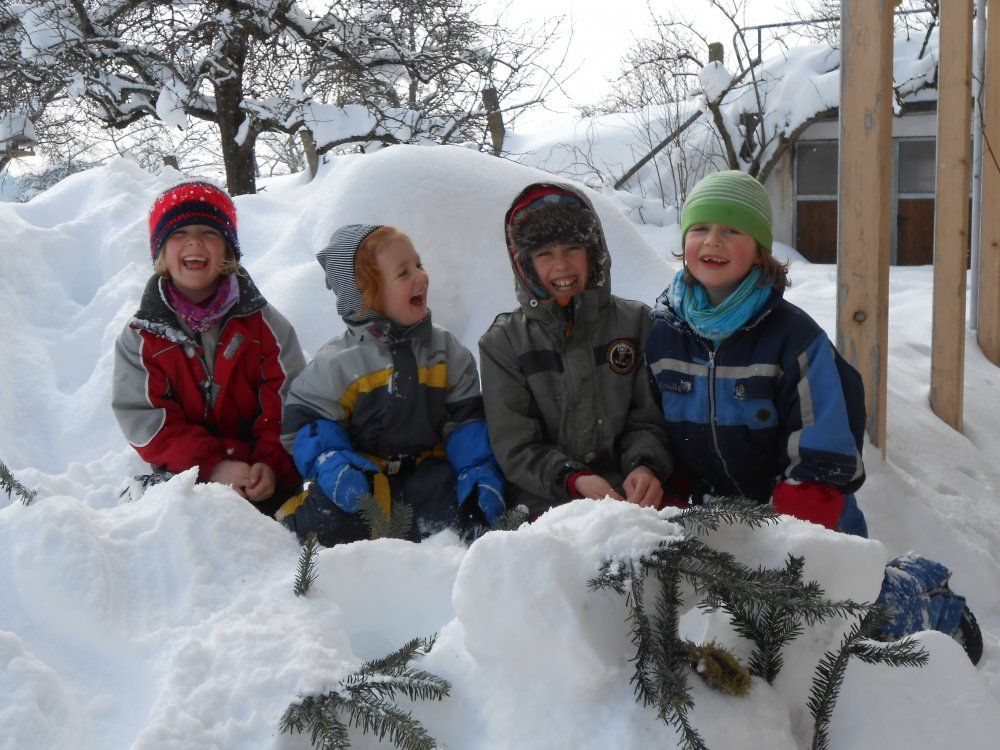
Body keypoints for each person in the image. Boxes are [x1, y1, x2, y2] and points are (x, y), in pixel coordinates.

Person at [645, 169, 981, 664]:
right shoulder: (662, 334)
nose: (712, 242)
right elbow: (654, 428)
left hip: (808, 513)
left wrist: (788, 541)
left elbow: (824, 447)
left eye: (732, 230)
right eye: (700, 229)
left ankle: (928, 594)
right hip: (719, 516)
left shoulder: (792, 338)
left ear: (760, 249)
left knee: (853, 627)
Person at [277, 224, 505, 546]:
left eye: (419, 264)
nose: (420, 277)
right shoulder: (340, 363)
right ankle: (285, 529)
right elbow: (306, 425)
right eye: (403, 273)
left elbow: (465, 421)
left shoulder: (446, 352)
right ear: (365, 296)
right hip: (364, 481)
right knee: (330, 524)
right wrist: (332, 461)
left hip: (429, 475)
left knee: (466, 517)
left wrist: (476, 469)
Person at [478, 183, 673, 518]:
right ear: (525, 264)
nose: (561, 266)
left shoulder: (636, 323)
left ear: (593, 251)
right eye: (544, 254)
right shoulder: (503, 342)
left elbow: (649, 417)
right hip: (544, 498)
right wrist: (572, 478)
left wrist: (645, 466)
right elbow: (516, 445)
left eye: (572, 249)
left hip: (629, 492)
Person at [112, 180, 305, 515]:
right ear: (161, 252)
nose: (194, 241)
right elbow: (145, 420)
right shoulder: (141, 339)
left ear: (228, 250)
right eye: (178, 232)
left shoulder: (265, 327)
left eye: (209, 232)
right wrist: (212, 466)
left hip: (260, 478)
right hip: (182, 476)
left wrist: (270, 464)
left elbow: (288, 402)